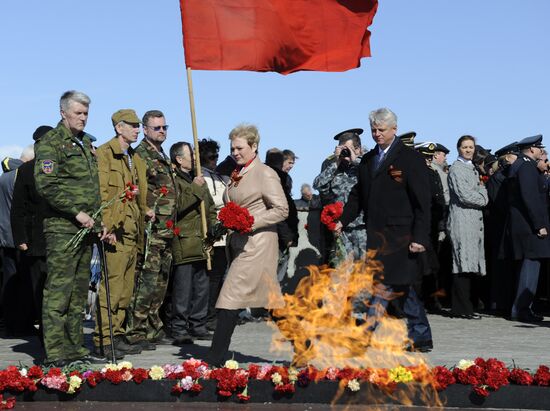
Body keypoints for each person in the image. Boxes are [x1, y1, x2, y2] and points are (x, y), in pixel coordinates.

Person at [336, 108, 433, 352]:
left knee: (384, 285)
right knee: (401, 285)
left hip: (402, 235)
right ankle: (421, 335)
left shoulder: (410, 158)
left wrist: (420, 237)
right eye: (373, 130)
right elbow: (359, 195)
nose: (377, 134)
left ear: (394, 130)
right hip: (377, 235)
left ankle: (365, 335)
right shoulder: (369, 160)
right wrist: (343, 220)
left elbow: (422, 201)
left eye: (381, 130)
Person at [34, 90, 109, 366]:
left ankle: (74, 348)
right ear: (63, 113)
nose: (83, 118)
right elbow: (47, 186)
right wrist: (76, 213)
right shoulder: (51, 143)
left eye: (86, 113)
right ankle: (55, 352)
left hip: (86, 230)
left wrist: (98, 222)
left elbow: (92, 190)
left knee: (78, 293)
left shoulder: (85, 144)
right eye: (78, 113)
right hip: (62, 229)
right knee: (59, 292)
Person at [206, 124, 288, 367]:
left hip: (258, 244)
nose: (235, 152)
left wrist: (250, 223)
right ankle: (305, 345)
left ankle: (214, 358)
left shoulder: (265, 173)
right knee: (270, 302)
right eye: (232, 148)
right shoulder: (238, 172)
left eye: (240, 148)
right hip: (241, 243)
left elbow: (281, 209)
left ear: (254, 147)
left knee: (229, 297)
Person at [93, 109, 149, 358]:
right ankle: (104, 339)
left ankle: (117, 334)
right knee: (112, 288)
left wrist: (145, 210)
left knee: (125, 289)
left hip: (132, 230)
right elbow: (102, 193)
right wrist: (107, 226)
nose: (137, 129)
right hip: (115, 230)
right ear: (119, 127)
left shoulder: (134, 157)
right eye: (133, 125)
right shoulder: (105, 154)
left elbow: (138, 194)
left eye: (138, 125)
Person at [126, 110, 177, 349]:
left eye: (165, 127)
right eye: (157, 128)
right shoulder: (141, 155)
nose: (162, 131)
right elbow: (134, 189)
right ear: (145, 130)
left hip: (167, 229)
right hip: (151, 229)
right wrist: (145, 209)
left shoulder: (161, 154)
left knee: (160, 282)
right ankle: (136, 330)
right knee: (146, 281)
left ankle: (152, 328)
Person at [169, 141, 216, 344]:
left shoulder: (197, 180)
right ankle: (179, 327)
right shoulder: (174, 180)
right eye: (191, 155)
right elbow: (176, 207)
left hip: (202, 241)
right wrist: (195, 189)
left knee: (201, 287)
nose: (195, 158)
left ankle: (198, 324)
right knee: (183, 289)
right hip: (185, 240)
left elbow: (210, 207)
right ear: (179, 159)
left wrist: (214, 227)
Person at [10, 126, 53, 340]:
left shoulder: (64, 168)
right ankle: (48, 335)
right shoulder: (27, 171)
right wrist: (21, 239)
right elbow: (18, 208)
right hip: (37, 242)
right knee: (40, 291)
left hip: (60, 241)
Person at [502, 135, 550, 322]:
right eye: (539, 149)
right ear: (531, 150)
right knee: (531, 267)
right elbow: (530, 198)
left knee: (527, 267)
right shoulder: (528, 167)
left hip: (522, 225)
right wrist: (539, 225)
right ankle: (521, 309)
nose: (541, 152)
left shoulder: (520, 166)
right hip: (530, 227)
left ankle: (522, 308)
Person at [447, 135, 488, 319]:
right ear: (459, 149)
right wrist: (484, 197)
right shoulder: (457, 169)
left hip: (473, 222)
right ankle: (462, 308)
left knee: (470, 265)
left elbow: (476, 189)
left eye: (471, 147)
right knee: (462, 264)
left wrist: (479, 191)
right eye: (465, 147)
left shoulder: (472, 168)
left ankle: (465, 307)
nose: (469, 150)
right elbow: (465, 195)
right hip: (462, 221)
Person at [313, 129, 366, 263]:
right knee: (342, 272)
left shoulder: (366, 164)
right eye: (342, 148)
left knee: (365, 271)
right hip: (340, 228)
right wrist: (336, 163)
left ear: (358, 149)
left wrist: (355, 160)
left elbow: (374, 178)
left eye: (348, 149)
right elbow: (318, 185)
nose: (345, 152)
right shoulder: (333, 166)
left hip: (361, 226)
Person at [1, 146, 35, 336]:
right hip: (19, 236)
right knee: (23, 283)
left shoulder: (4, 177)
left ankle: (8, 322)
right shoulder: (20, 177)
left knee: (9, 281)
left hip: (4, 236)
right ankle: (20, 324)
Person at [198, 138, 230, 331]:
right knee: (212, 278)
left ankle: (215, 313)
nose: (215, 160)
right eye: (211, 157)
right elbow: (214, 199)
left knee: (220, 276)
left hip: (225, 234)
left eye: (216, 156)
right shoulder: (203, 177)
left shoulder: (217, 175)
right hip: (213, 234)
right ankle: (208, 315)